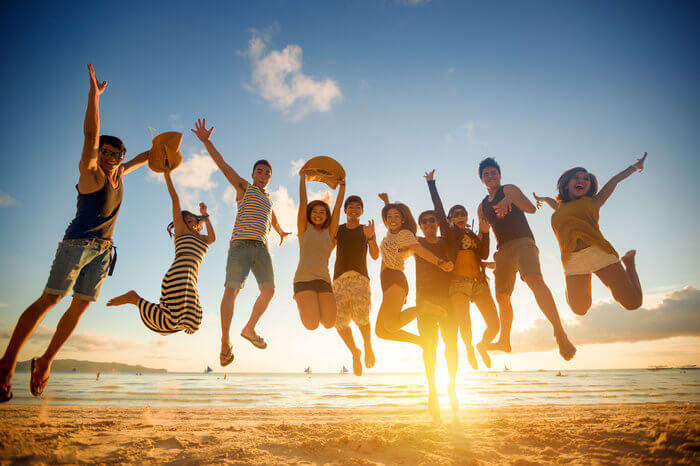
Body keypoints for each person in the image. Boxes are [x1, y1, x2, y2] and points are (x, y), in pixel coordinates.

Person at [0, 64, 151, 402]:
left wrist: (161, 151)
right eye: (106, 153)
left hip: (103, 251)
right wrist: (93, 97)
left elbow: (142, 158)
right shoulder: (91, 172)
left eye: (116, 154)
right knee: (50, 299)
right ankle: (6, 364)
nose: (111, 157)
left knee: (80, 306)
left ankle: (45, 361)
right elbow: (90, 136)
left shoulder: (120, 174)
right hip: (76, 245)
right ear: (99, 154)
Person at [191, 118, 291, 367]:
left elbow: (272, 215)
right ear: (252, 173)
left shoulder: (268, 198)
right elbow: (223, 166)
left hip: (262, 248)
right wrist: (207, 142)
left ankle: (249, 328)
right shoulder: (245, 188)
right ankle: (225, 342)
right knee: (232, 291)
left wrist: (280, 231)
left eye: (268, 172)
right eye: (260, 170)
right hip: (241, 245)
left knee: (269, 291)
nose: (264, 174)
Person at [478, 157, 576, 361]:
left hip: (523, 242)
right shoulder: (481, 207)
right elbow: (485, 233)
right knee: (502, 297)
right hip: (503, 250)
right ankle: (504, 340)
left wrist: (511, 200)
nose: (490, 176)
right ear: (481, 179)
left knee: (534, 279)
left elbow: (531, 208)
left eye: (493, 172)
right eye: (485, 174)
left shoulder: (509, 189)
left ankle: (559, 332)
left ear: (499, 175)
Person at [533, 153, 646, 315]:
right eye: (576, 177)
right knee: (579, 309)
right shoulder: (560, 207)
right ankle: (578, 279)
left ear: (590, 185)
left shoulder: (594, 201)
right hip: (573, 260)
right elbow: (551, 200)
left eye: (586, 179)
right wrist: (541, 199)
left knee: (633, 303)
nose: (581, 180)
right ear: (566, 184)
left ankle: (629, 263)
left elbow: (614, 181)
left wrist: (635, 167)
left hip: (599, 254)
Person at [107, 169, 215, 334]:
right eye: (187, 221)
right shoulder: (181, 233)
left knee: (191, 319)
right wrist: (167, 174)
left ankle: (135, 300)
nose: (192, 224)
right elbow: (175, 199)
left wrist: (205, 216)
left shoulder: (202, 239)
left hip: (191, 279)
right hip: (177, 276)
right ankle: (134, 299)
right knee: (171, 320)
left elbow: (213, 238)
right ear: (182, 223)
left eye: (194, 221)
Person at [425, 170, 499, 369]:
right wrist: (431, 184)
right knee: (465, 324)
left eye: (463, 213)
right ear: (449, 219)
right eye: (456, 214)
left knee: (495, 325)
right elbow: (438, 209)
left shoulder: (473, 235)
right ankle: (468, 348)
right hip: (458, 283)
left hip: (479, 283)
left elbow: (483, 254)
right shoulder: (449, 233)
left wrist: (485, 233)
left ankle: (482, 345)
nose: (460, 216)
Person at [376, 194, 454, 346]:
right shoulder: (391, 235)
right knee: (381, 331)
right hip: (386, 282)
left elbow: (420, 250)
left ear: (403, 220)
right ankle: (421, 341)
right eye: (389, 216)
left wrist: (439, 262)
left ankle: (423, 308)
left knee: (391, 325)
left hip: (394, 279)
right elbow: (389, 221)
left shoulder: (405, 235)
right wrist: (387, 203)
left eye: (397, 216)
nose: (392, 219)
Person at [414, 208, 460, 424]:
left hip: (449, 301)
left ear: (438, 222)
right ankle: (432, 390)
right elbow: (396, 229)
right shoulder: (417, 243)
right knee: (429, 347)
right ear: (420, 226)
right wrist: (387, 203)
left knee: (451, 346)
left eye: (432, 220)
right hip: (425, 304)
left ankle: (451, 385)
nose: (429, 224)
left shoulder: (446, 242)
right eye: (424, 221)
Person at [332, 195, 379, 376]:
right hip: (339, 279)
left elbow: (375, 255)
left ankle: (367, 344)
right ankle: (355, 352)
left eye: (358, 207)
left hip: (360, 278)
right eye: (350, 207)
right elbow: (327, 248)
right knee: (338, 321)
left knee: (362, 317)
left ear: (362, 211)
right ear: (345, 211)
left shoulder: (365, 230)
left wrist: (371, 237)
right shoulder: (338, 229)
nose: (354, 209)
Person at [293, 171, 345, 330]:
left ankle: (313, 303)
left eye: (322, 212)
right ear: (309, 214)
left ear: (326, 216)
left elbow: (337, 207)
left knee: (329, 323)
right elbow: (303, 202)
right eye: (314, 212)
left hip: (323, 280)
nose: (318, 214)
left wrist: (342, 186)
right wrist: (302, 178)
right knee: (311, 325)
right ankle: (301, 298)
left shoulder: (330, 234)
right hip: (303, 280)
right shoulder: (304, 229)